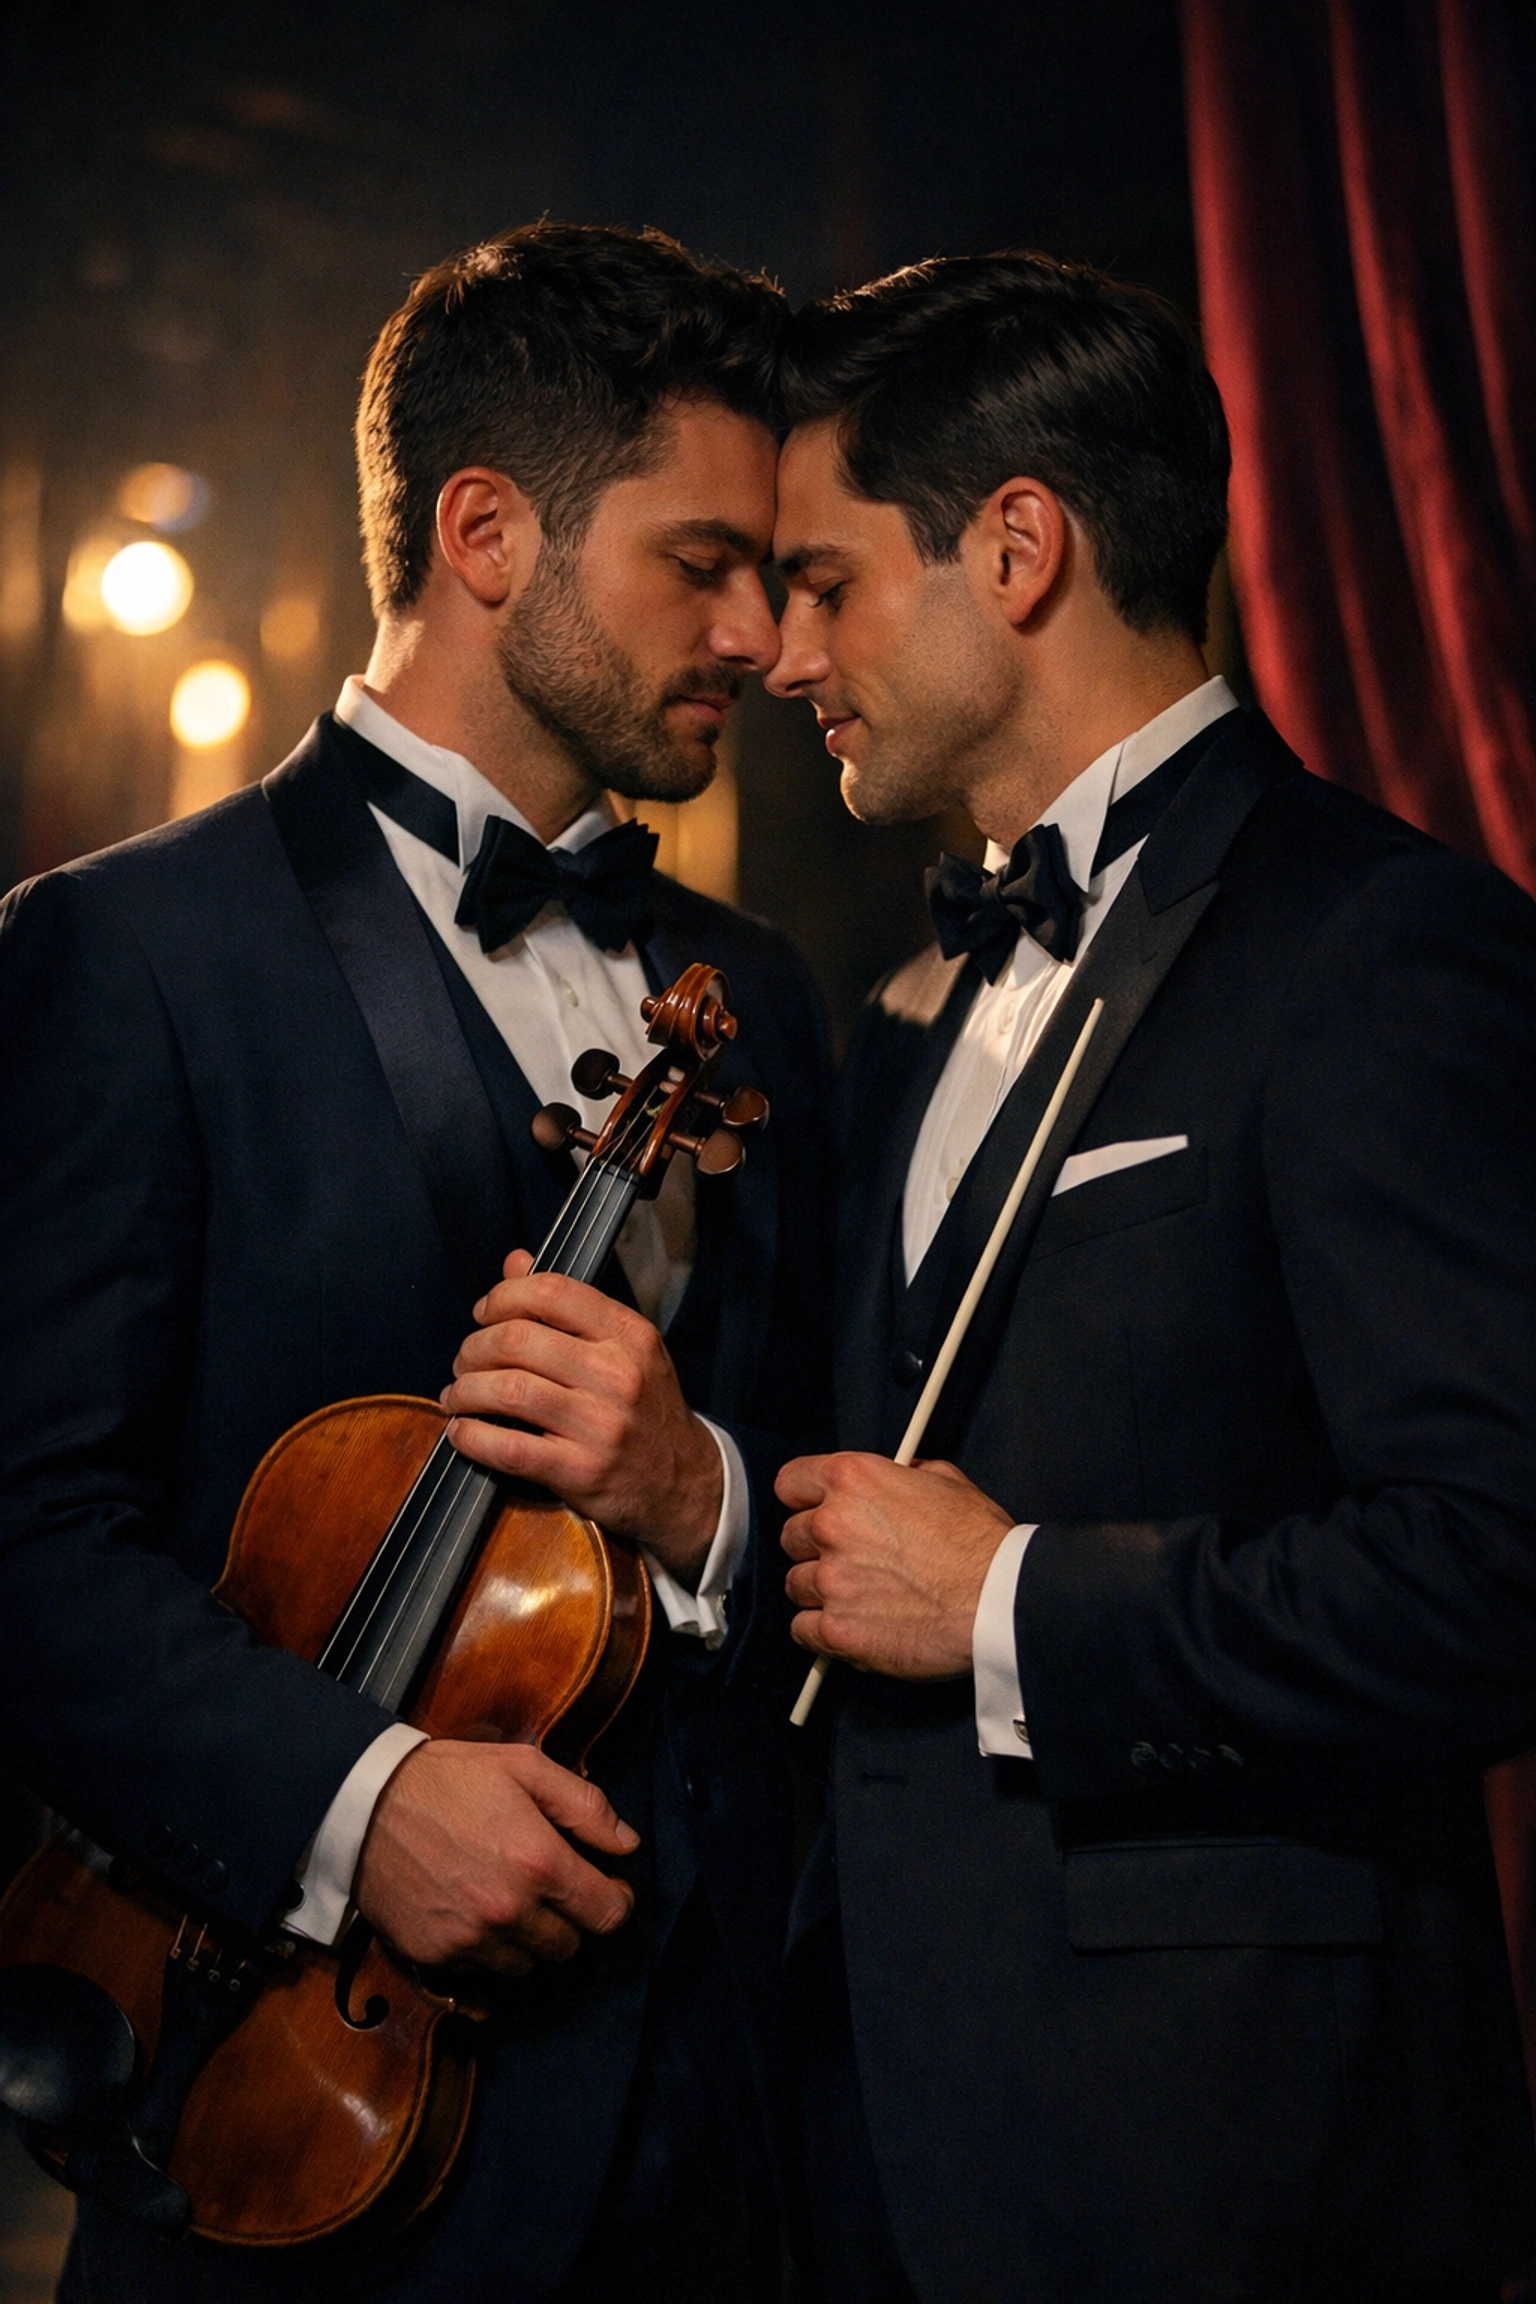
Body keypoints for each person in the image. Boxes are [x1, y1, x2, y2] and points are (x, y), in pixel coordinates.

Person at [0, 221, 835, 2303]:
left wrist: (705, 1495)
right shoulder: (128, 949)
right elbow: (23, 1542)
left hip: (731, 2146)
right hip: (295, 2131)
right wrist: (357, 1801)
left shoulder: (755, 994)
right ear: (485, 532)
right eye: (700, 561)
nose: (760, 631)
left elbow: (815, 1469)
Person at [764, 251, 1536, 2303]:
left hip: (1242, 2177)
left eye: (826, 582)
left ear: (1018, 547)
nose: (777, 654)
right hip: (878, 2159)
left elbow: (1497, 1570)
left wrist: (1013, 1600)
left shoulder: (1381, 945)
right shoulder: (902, 1012)